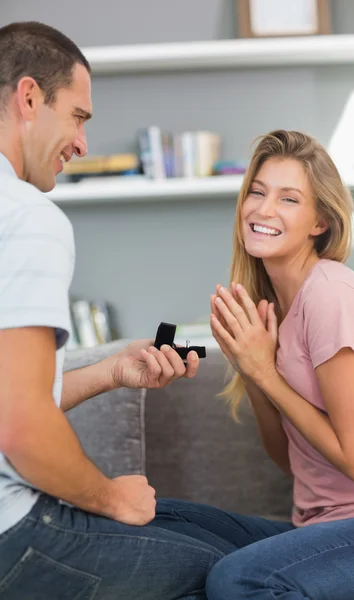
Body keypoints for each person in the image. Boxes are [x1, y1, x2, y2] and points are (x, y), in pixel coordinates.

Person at [0, 21, 227, 600]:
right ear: (29, 98)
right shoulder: (28, 216)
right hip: (11, 533)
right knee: (237, 575)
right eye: (78, 116)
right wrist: (110, 497)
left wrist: (111, 371)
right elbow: (19, 423)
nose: (81, 144)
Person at [153, 129, 354, 599]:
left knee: (240, 579)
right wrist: (252, 367)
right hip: (317, 526)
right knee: (160, 521)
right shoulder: (280, 309)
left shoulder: (331, 295)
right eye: (258, 192)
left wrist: (266, 372)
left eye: (288, 199)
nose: (263, 210)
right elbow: (289, 460)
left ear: (319, 222)